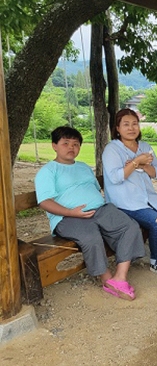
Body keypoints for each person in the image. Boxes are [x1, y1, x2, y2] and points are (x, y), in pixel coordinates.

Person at [35, 127, 144, 300]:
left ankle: (120, 277)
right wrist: (71, 212)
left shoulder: (83, 167)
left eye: (76, 144)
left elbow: (94, 189)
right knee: (91, 237)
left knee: (129, 226)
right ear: (54, 145)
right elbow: (45, 202)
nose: (71, 147)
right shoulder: (48, 171)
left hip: (99, 210)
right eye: (65, 143)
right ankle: (106, 279)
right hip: (68, 217)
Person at [103, 109, 157, 277]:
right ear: (117, 128)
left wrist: (144, 166)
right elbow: (116, 178)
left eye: (134, 124)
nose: (131, 128)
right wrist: (135, 162)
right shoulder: (112, 149)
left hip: (149, 197)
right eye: (126, 124)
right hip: (125, 201)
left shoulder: (145, 147)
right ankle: (156, 261)